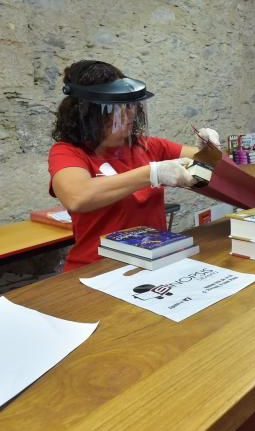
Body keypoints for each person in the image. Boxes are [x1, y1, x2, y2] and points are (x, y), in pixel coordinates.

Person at [48, 60, 221, 272]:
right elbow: (77, 197)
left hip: (151, 262)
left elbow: (216, 167)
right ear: (86, 114)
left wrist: (210, 150)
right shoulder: (68, 152)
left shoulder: (149, 146)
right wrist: (152, 173)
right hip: (95, 269)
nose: (128, 114)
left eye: (130, 106)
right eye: (116, 109)